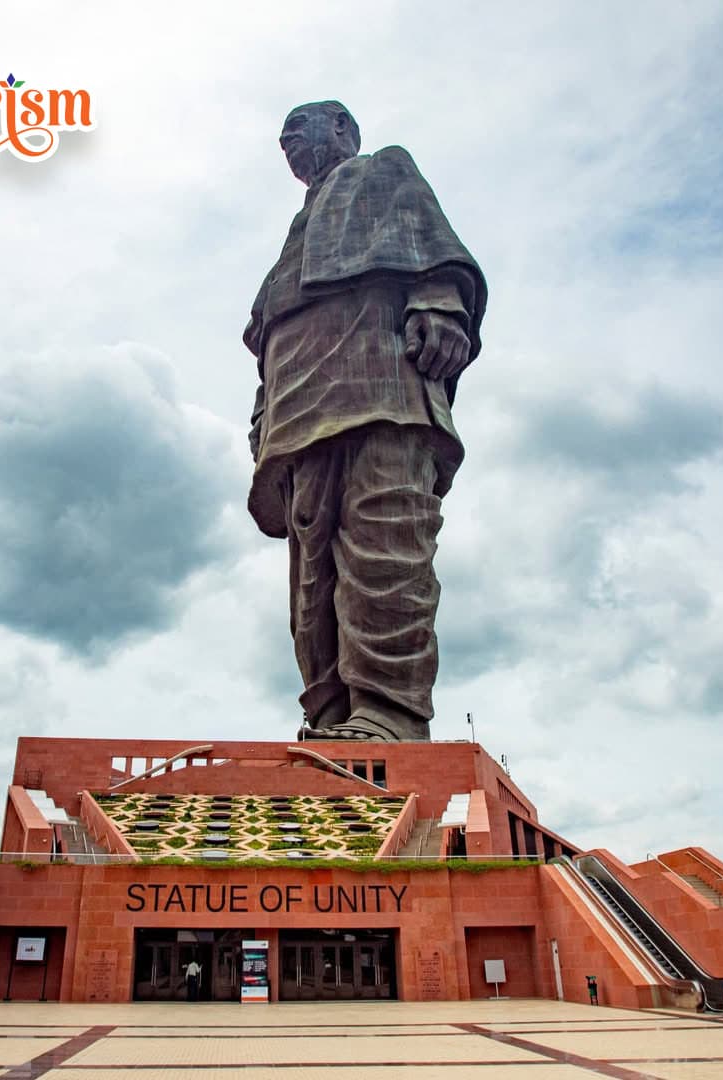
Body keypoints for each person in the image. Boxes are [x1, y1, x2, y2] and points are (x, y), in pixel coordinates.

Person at [244, 101, 486, 742]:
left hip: (379, 380)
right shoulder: (289, 243)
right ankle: (329, 714)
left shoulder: (383, 172)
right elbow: (266, 336)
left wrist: (439, 300)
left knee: (384, 539)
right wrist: (263, 413)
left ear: (344, 130)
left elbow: (431, 246)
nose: (289, 138)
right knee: (311, 573)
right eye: (282, 134)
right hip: (299, 407)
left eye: (301, 125)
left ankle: (388, 712)